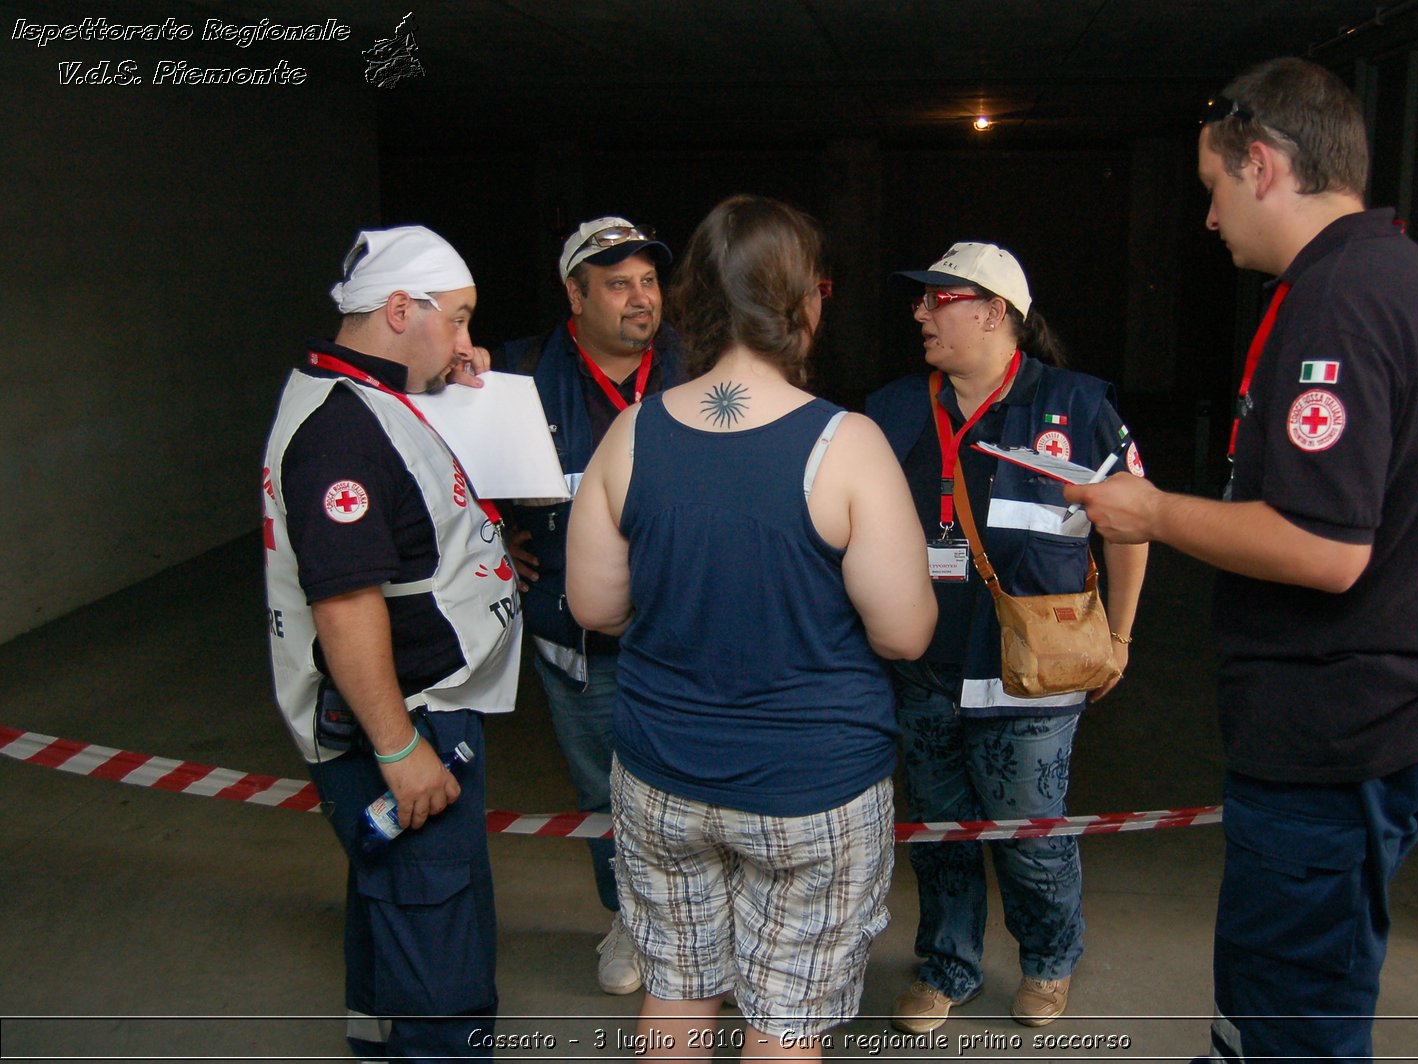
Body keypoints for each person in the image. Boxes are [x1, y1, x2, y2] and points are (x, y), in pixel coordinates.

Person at [1061, 58, 1418, 1063]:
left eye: (1214, 190)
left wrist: (1151, 510)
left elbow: (1326, 547)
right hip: (1415, 706)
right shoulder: (1413, 278)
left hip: (1341, 737)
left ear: (1261, 165)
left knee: (1291, 1018)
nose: (1209, 221)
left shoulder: (1335, 305)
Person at [564, 194, 935, 1059]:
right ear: (805, 303)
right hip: (812, 788)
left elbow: (594, 608)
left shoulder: (631, 435)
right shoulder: (848, 446)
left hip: (662, 779)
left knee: (678, 994)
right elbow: (905, 633)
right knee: (785, 1022)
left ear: (689, 303)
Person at [865, 242, 1149, 1032]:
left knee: (1030, 838)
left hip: (1035, 675)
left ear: (994, 312)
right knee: (941, 835)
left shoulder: (1077, 406)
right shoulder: (893, 410)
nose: (920, 311)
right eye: (921, 299)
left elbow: (1130, 528)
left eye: (938, 299)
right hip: (927, 672)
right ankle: (948, 964)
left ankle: (1050, 960)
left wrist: (1119, 638)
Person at [261, 225, 522, 1060]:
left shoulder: (367, 392)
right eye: (458, 320)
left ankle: (382, 1043)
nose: (467, 342)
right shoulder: (342, 430)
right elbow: (343, 604)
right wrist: (399, 745)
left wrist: (457, 377)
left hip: (421, 710)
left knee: (396, 907)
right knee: (436, 938)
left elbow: (418, 503)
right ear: (400, 309)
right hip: (407, 718)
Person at [488, 215, 680, 995]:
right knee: (604, 789)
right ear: (575, 294)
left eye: (649, 281)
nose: (641, 299)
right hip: (575, 639)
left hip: (684, 634)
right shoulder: (514, 378)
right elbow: (438, 476)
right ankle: (631, 921)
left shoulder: (699, 373)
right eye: (617, 284)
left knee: (696, 785)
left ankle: (707, 929)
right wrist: (490, 540)